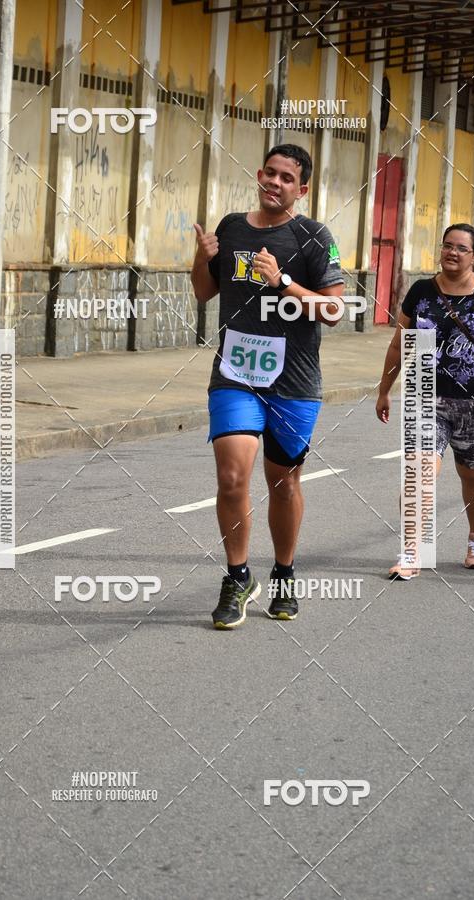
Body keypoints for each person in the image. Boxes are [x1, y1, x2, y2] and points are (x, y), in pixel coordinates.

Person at [191, 143, 345, 628]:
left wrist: (283, 284)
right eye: (270, 174)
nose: (275, 183)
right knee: (232, 477)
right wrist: (201, 258)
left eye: (286, 178)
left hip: (294, 383)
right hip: (235, 376)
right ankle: (237, 577)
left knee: (283, 483)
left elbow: (335, 310)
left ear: (302, 189)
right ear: (259, 175)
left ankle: (283, 573)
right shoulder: (232, 227)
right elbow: (204, 290)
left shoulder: (315, 237)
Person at [377, 223, 474, 578]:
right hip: (425, 394)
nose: (452, 252)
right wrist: (384, 389)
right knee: (418, 470)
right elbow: (399, 343)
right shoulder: (421, 291)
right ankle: (413, 551)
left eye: (461, 248)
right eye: (447, 245)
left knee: (473, 474)